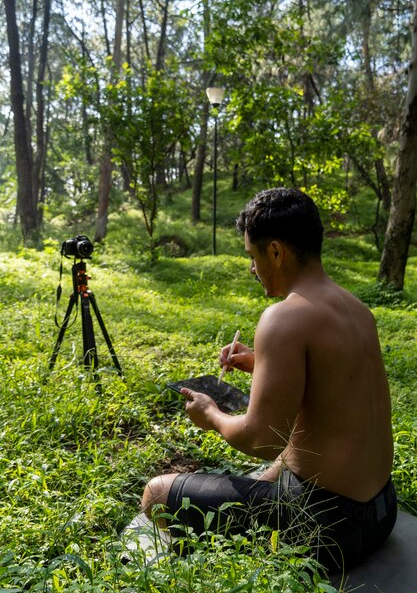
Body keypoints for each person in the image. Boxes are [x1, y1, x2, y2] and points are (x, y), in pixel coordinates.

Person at [141, 187, 397, 572]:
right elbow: (331, 379)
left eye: (252, 256)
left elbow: (260, 440)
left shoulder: (283, 317)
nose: (252, 269)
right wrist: (258, 362)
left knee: (156, 494)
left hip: (326, 531)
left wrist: (210, 414)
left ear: (275, 252)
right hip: (381, 512)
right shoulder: (358, 310)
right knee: (284, 457)